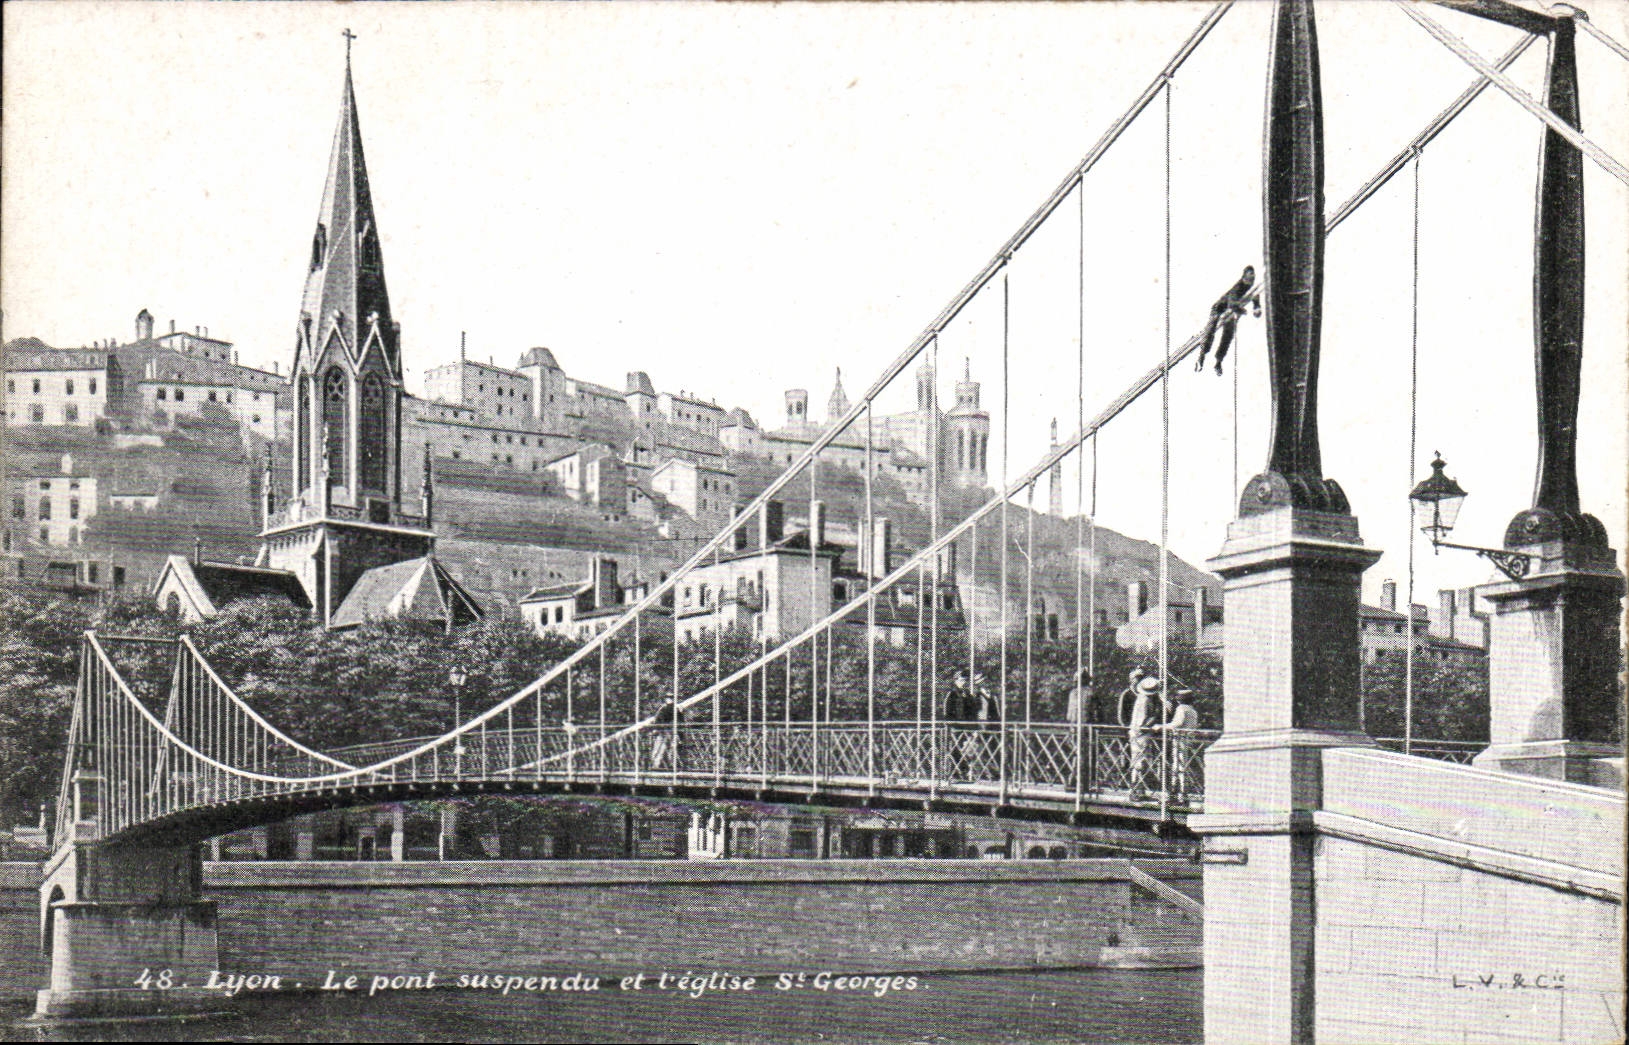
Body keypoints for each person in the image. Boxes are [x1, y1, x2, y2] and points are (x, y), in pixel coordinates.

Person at [1194, 265, 1261, 376]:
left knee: (1228, 335)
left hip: (1230, 312)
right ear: (1244, 277)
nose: (1252, 279)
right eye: (1250, 277)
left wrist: (1256, 308)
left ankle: (1218, 362)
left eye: (1253, 277)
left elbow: (1255, 300)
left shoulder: (1251, 289)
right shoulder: (1239, 287)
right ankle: (1201, 357)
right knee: (1210, 331)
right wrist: (1241, 309)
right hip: (1219, 309)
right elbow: (1231, 302)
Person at [1156, 689, 1201, 803]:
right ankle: (1181, 793)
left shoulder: (1181, 709)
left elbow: (1177, 723)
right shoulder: (1193, 710)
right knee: (1181, 765)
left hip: (1180, 739)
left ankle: (1176, 794)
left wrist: (1161, 726)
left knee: (1178, 766)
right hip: (1188, 739)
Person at [1122, 674, 1161, 800]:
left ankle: (1139, 789)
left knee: (1139, 761)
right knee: (1140, 762)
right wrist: (1154, 718)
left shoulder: (1140, 698)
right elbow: (1143, 720)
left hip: (1136, 733)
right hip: (1141, 734)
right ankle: (1136, 791)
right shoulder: (1146, 701)